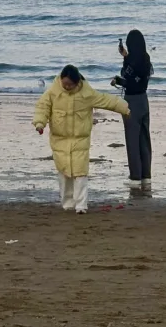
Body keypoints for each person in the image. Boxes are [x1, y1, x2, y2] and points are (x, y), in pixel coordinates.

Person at [33, 64, 130, 214]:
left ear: (77, 82)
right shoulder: (53, 92)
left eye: (70, 84)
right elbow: (42, 107)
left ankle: (81, 206)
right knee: (64, 173)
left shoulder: (87, 93)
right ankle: (67, 204)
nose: (67, 87)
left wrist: (125, 108)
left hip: (80, 139)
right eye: (65, 84)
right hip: (59, 139)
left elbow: (106, 100)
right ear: (61, 80)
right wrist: (40, 123)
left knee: (80, 173)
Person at [112, 29, 152, 190]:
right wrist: (126, 57)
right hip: (144, 100)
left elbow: (128, 81)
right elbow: (139, 81)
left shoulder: (130, 62)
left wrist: (117, 80)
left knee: (132, 140)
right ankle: (146, 176)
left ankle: (135, 177)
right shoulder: (146, 59)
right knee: (144, 139)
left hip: (132, 102)